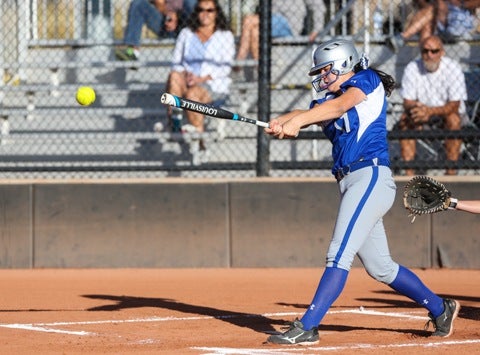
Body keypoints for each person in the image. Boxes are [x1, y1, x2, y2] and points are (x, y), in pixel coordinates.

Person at [263, 37, 460, 345]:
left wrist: (299, 120)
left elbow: (340, 105)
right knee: (381, 268)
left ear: (344, 64)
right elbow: (312, 111)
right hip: (351, 182)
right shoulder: (329, 99)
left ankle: (309, 325)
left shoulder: (365, 80)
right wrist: (281, 122)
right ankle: (440, 307)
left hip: (370, 176)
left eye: (327, 71)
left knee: (339, 254)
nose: (322, 77)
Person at [398, 35, 467, 176]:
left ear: (442, 52)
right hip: (422, 114)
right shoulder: (412, 68)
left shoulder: (453, 68)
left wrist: (429, 111)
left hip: (447, 115)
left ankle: (451, 173)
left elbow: (454, 105)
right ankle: (409, 175)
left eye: (434, 51)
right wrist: (416, 109)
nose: (429, 55)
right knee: (405, 119)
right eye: (425, 51)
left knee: (453, 119)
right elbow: (407, 101)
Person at [165, 0, 234, 135]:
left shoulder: (225, 35)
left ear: (216, 13)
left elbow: (226, 68)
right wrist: (187, 75)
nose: (205, 14)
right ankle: (175, 118)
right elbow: (176, 62)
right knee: (174, 76)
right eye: (201, 10)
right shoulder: (186, 33)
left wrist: (200, 79)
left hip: (212, 84)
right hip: (188, 80)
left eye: (210, 10)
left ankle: (199, 138)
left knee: (192, 95)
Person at [235, 0, 327, 62]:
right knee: (256, 32)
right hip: (271, 20)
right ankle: (258, 70)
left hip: (289, 23)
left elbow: (319, 6)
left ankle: (239, 60)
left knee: (248, 20)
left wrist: (317, 30)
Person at [387, 0, 480, 52]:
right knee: (427, 23)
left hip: (460, 20)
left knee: (434, 7)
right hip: (438, 20)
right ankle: (427, 59)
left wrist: (460, 3)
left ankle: (402, 37)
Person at [115, 0, 184, 61]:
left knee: (190, 3)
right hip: (165, 22)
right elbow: (159, 2)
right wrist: (168, 13)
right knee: (139, 3)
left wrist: (176, 16)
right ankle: (132, 51)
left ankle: (192, 43)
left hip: (186, 24)